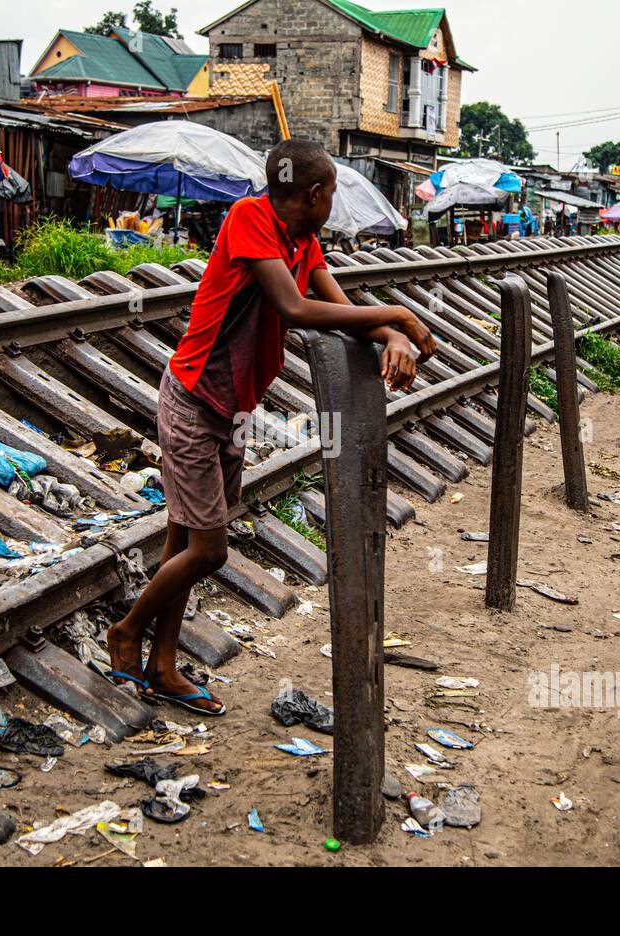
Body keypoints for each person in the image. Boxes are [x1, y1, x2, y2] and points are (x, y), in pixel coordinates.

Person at [103, 139, 435, 715]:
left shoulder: (302, 242)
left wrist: (391, 334)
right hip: (192, 402)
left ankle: (161, 664)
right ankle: (127, 632)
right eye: (331, 194)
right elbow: (298, 309)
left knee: (183, 538)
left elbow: (341, 305)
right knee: (208, 550)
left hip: (230, 409)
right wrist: (400, 314)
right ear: (312, 194)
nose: (332, 205)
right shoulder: (250, 218)